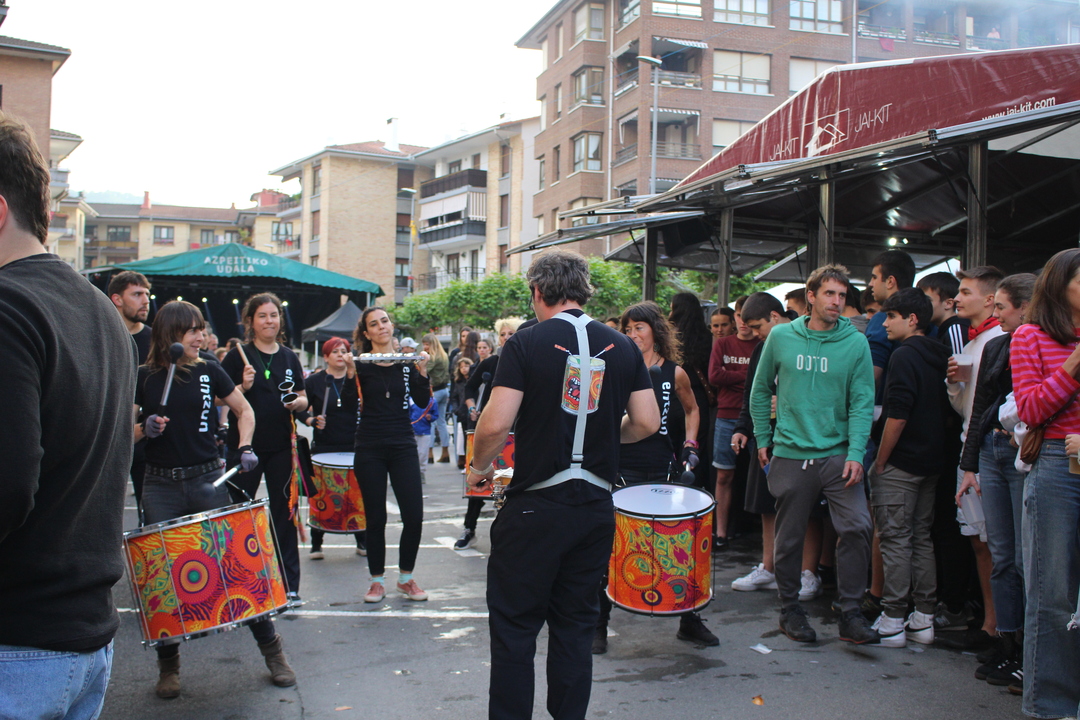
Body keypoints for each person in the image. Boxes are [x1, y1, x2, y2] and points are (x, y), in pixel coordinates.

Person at [468, 250, 659, 720]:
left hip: (536, 505)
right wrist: (602, 434)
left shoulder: (526, 342)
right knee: (575, 627)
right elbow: (647, 422)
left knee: (515, 628)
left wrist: (478, 468)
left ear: (538, 291)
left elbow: (494, 425)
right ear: (583, 289)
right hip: (594, 506)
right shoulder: (623, 345)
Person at [0, 113, 135, 719]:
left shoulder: (8, 307)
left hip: (17, 642)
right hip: (82, 640)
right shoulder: (100, 310)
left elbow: (7, 486)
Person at [133, 301, 295, 697]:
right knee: (162, 576)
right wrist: (142, 428)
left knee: (238, 567)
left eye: (201, 329)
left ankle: (273, 653)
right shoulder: (144, 376)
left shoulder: (209, 369)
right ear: (171, 333)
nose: (200, 337)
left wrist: (244, 446)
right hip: (160, 485)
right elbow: (121, 427)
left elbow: (245, 410)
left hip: (208, 477)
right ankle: (168, 666)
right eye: (192, 330)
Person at [750, 264, 878, 645]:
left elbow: (862, 402)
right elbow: (760, 389)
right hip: (791, 451)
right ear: (811, 296)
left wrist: (857, 452)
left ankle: (851, 613)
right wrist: (762, 437)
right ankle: (790, 609)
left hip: (839, 453)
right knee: (789, 537)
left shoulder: (856, 342)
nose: (836, 301)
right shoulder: (782, 336)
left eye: (842, 295)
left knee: (857, 526)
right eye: (829, 294)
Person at [591, 300, 713, 653]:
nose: (632, 334)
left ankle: (689, 619)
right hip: (621, 468)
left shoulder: (675, 372)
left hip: (663, 468)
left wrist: (690, 444)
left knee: (678, 546)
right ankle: (599, 623)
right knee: (611, 547)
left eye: (638, 328)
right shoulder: (614, 369)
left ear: (655, 331)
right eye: (627, 329)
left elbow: (692, 409)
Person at [957, 273, 1035, 691]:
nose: (996, 313)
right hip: (991, 450)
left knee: (1024, 558)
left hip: (1024, 455)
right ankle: (1008, 644)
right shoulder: (996, 345)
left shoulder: (1044, 343)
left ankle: (1028, 654)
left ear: (1026, 307)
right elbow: (982, 408)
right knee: (1002, 556)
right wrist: (969, 464)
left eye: (1002, 306)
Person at [1010, 248, 1080, 719]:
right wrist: (1073, 365)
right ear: (1059, 284)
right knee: (1053, 593)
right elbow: (1031, 409)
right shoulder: (1029, 336)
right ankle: (1051, 706)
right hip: (1057, 466)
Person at [868, 288, 949, 648]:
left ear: (912, 319)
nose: (884, 323)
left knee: (896, 540)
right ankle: (923, 617)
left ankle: (893, 618)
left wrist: (881, 461)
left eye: (891, 316)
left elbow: (897, 415)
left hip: (901, 463)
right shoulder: (940, 353)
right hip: (931, 461)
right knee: (919, 537)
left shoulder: (903, 355)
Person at [221, 292, 309, 606]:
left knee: (284, 515)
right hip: (244, 448)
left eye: (274, 315)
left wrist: (298, 403)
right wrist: (241, 387)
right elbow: (218, 398)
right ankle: (240, 585)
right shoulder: (237, 356)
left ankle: (289, 586)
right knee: (239, 515)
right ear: (250, 321)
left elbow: (303, 397)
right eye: (262, 316)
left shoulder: (289, 356)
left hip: (282, 447)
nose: (269, 321)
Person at [732, 293, 822, 598]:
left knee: (807, 506)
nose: (755, 334)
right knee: (765, 503)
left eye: (758, 326)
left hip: (805, 436)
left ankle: (808, 572)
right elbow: (753, 391)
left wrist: (785, 400)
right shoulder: (763, 347)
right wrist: (743, 427)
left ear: (774, 316)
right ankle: (768, 568)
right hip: (766, 436)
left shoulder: (810, 337)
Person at [353, 306, 432, 603]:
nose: (381, 326)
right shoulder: (360, 365)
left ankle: (405, 578)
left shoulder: (406, 363)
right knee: (376, 518)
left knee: (414, 516)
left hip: (402, 444)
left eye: (384, 321)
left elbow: (422, 401)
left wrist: (422, 372)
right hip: (369, 445)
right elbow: (348, 401)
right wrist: (348, 374)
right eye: (374, 324)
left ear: (391, 325)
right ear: (367, 333)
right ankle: (376, 581)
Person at [946, 266, 1006, 646]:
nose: (957, 298)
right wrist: (955, 384)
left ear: (990, 299)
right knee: (978, 540)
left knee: (994, 543)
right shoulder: (970, 344)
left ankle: (1000, 628)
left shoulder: (1002, 339)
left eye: (965, 292)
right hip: (969, 448)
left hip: (991, 452)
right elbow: (964, 407)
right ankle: (990, 622)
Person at [456, 317, 525, 550]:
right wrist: (472, 407)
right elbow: (469, 387)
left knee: (510, 486)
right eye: (503, 334)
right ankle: (469, 529)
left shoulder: (527, 362)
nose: (506, 338)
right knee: (479, 480)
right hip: (488, 429)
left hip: (517, 432)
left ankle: (510, 535)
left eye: (511, 333)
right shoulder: (491, 362)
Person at [300, 337, 365, 559]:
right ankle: (317, 542)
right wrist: (311, 420)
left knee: (356, 495)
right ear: (326, 357)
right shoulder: (314, 382)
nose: (340, 355)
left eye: (344, 351)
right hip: (324, 446)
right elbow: (299, 408)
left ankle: (361, 538)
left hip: (354, 444)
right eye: (335, 351)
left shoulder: (356, 378)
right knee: (322, 495)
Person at [708, 295, 760, 549]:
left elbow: (766, 380)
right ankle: (720, 533)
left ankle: (764, 537)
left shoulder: (763, 343)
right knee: (723, 475)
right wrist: (750, 376)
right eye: (739, 315)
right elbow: (715, 376)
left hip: (757, 418)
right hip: (726, 416)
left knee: (763, 477)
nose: (743, 321)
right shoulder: (723, 344)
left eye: (748, 316)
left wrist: (734, 376)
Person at [109, 270, 154, 521]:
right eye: (137, 294)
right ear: (117, 299)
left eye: (147, 294)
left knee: (149, 517)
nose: (145, 300)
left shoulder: (155, 340)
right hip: (106, 437)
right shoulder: (101, 335)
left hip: (147, 439)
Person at [670, 292, 716, 487]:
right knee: (696, 450)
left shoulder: (671, 337)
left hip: (673, 397)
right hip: (699, 399)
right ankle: (694, 489)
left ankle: (671, 486)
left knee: (672, 448)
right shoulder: (707, 336)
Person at [422, 333, 452, 463]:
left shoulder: (432, 357)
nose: (425, 347)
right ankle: (445, 452)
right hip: (444, 390)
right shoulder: (444, 356)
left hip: (434, 392)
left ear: (432, 344)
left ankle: (430, 454)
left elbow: (424, 370)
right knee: (441, 422)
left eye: (426, 344)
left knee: (430, 422)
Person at [449, 356, 475, 470]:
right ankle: (467, 463)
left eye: (466, 366)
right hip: (462, 413)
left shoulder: (474, 380)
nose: (464, 369)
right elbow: (454, 397)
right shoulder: (458, 382)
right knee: (465, 438)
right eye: (461, 367)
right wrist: (456, 409)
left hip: (473, 412)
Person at [410, 393, 439, 484]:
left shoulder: (432, 401)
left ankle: (421, 472)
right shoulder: (410, 400)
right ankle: (411, 473)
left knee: (423, 453)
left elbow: (436, 415)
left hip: (425, 431)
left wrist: (431, 417)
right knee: (411, 453)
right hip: (412, 430)